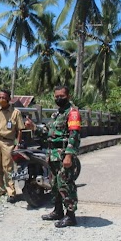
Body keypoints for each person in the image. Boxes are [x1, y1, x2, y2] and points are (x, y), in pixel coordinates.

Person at [32, 85, 82, 227]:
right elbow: (48, 132)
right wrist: (34, 128)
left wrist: (69, 155)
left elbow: (74, 135)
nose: (59, 99)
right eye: (56, 96)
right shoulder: (57, 114)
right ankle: (58, 211)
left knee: (65, 185)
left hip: (63, 155)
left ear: (68, 96)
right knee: (54, 185)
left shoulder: (72, 113)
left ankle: (71, 215)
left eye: (62, 96)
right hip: (53, 155)